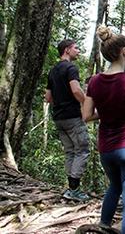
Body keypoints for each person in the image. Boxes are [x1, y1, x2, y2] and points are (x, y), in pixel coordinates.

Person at [83, 26, 125, 233]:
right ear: (123, 51)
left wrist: (108, 111)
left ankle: (103, 227)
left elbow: (86, 116)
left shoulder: (94, 82)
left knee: (114, 186)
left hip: (107, 149)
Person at [45, 39, 90, 202]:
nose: (78, 51)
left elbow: (48, 97)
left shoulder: (53, 70)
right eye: (76, 48)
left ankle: (72, 189)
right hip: (72, 117)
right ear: (67, 50)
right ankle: (74, 190)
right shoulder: (70, 68)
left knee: (70, 151)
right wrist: (86, 102)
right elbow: (76, 90)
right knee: (82, 149)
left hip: (58, 118)